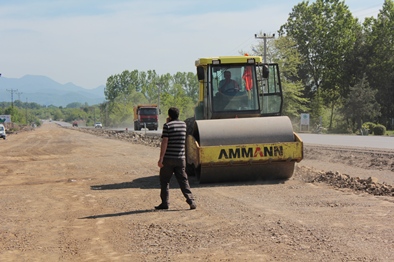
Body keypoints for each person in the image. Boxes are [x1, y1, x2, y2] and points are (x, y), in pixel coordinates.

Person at [156, 107, 196, 210]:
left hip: (168, 158)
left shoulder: (167, 126)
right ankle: (191, 200)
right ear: (178, 115)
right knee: (183, 180)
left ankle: (165, 203)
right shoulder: (183, 125)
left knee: (165, 181)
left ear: (169, 115)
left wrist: (161, 158)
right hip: (180, 159)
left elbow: (165, 142)